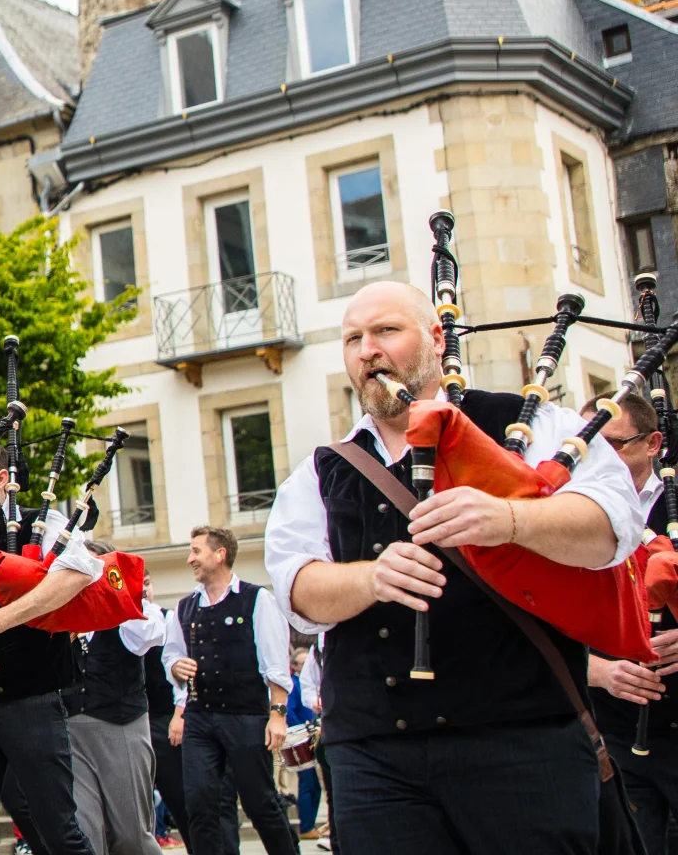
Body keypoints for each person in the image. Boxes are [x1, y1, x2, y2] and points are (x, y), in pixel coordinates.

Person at [266, 280, 647, 855]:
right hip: (376, 756)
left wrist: (509, 520)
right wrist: (371, 578)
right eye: (352, 339)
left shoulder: (536, 423)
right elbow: (297, 588)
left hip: (524, 742)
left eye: (386, 331)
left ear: (436, 337)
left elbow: (612, 529)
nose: (367, 350)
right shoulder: (323, 470)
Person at [0, 433, 98, 855]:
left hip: (32, 701)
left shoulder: (39, 523)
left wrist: (2, 619)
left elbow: (80, 573)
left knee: (57, 832)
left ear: (3, 478)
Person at [583, 392, 678, 852]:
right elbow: (534, 622)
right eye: (589, 444)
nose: (602, 457)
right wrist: (600, 672)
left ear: (654, 442)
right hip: (617, 735)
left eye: (616, 443)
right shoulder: (569, 514)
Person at [164, 525, 296, 855]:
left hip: (246, 716)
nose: (189, 558)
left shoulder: (256, 599)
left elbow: (275, 664)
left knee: (260, 802)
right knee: (199, 803)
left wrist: (277, 716)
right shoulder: (184, 608)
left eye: (196, 551)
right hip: (200, 719)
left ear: (219, 554)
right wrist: (176, 667)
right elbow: (171, 655)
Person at [64, 539, 166, 855]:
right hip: (71, 729)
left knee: (132, 834)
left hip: (120, 725)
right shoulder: (61, 614)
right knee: (84, 833)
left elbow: (151, 633)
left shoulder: (131, 608)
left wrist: (116, 591)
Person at [143, 576, 188, 849]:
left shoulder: (169, 618)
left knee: (180, 797)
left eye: (148, 583)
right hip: (130, 720)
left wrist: (179, 715)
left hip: (165, 719)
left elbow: (182, 669)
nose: (145, 589)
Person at [285, 647, 323, 842]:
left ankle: (310, 823)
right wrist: (302, 729)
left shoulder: (306, 685)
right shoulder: (294, 684)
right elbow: (289, 711)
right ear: (294, 666)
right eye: (301, 663)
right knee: (307, 783)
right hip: (301, 738)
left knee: (314, 785)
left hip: (312, 735)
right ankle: (306, 825)